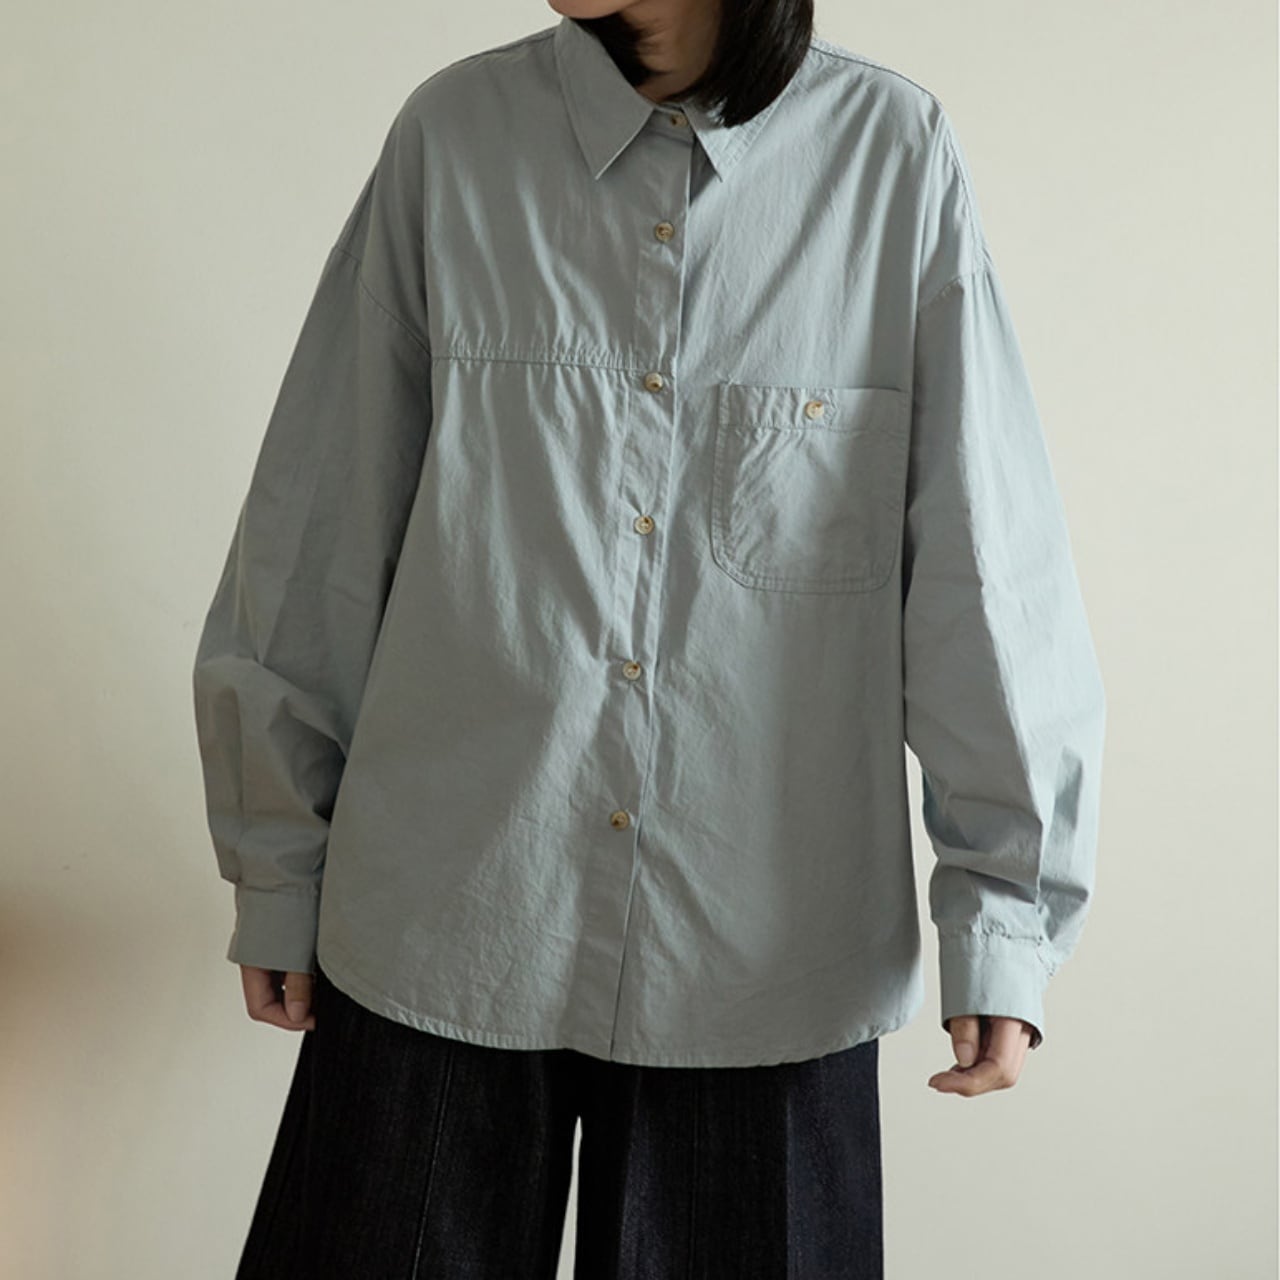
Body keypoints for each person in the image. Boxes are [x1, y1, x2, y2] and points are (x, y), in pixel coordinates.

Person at [191, 0, 1107, 1274]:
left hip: (765, 956)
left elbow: (981, 560)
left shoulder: (888, 153)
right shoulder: (453, 136)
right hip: (443, 921)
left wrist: (1002, 912)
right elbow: (321, 515)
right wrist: (277, 861)